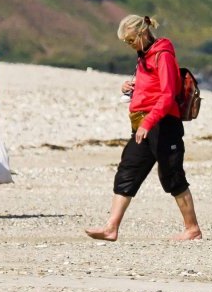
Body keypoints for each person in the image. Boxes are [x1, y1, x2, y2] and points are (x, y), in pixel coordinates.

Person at [86, 15, 202, 242]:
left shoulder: (163, 54)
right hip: (142, 124)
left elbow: (167, 95)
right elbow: (150, 87)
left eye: (130, 40)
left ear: (142, 34)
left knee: (172, 176)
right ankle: (111, 228)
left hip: (163, 124)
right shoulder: (144, 55)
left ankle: (192, 229)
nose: (129, 45)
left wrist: (148, 123)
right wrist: (130, 87)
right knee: (128, 170)